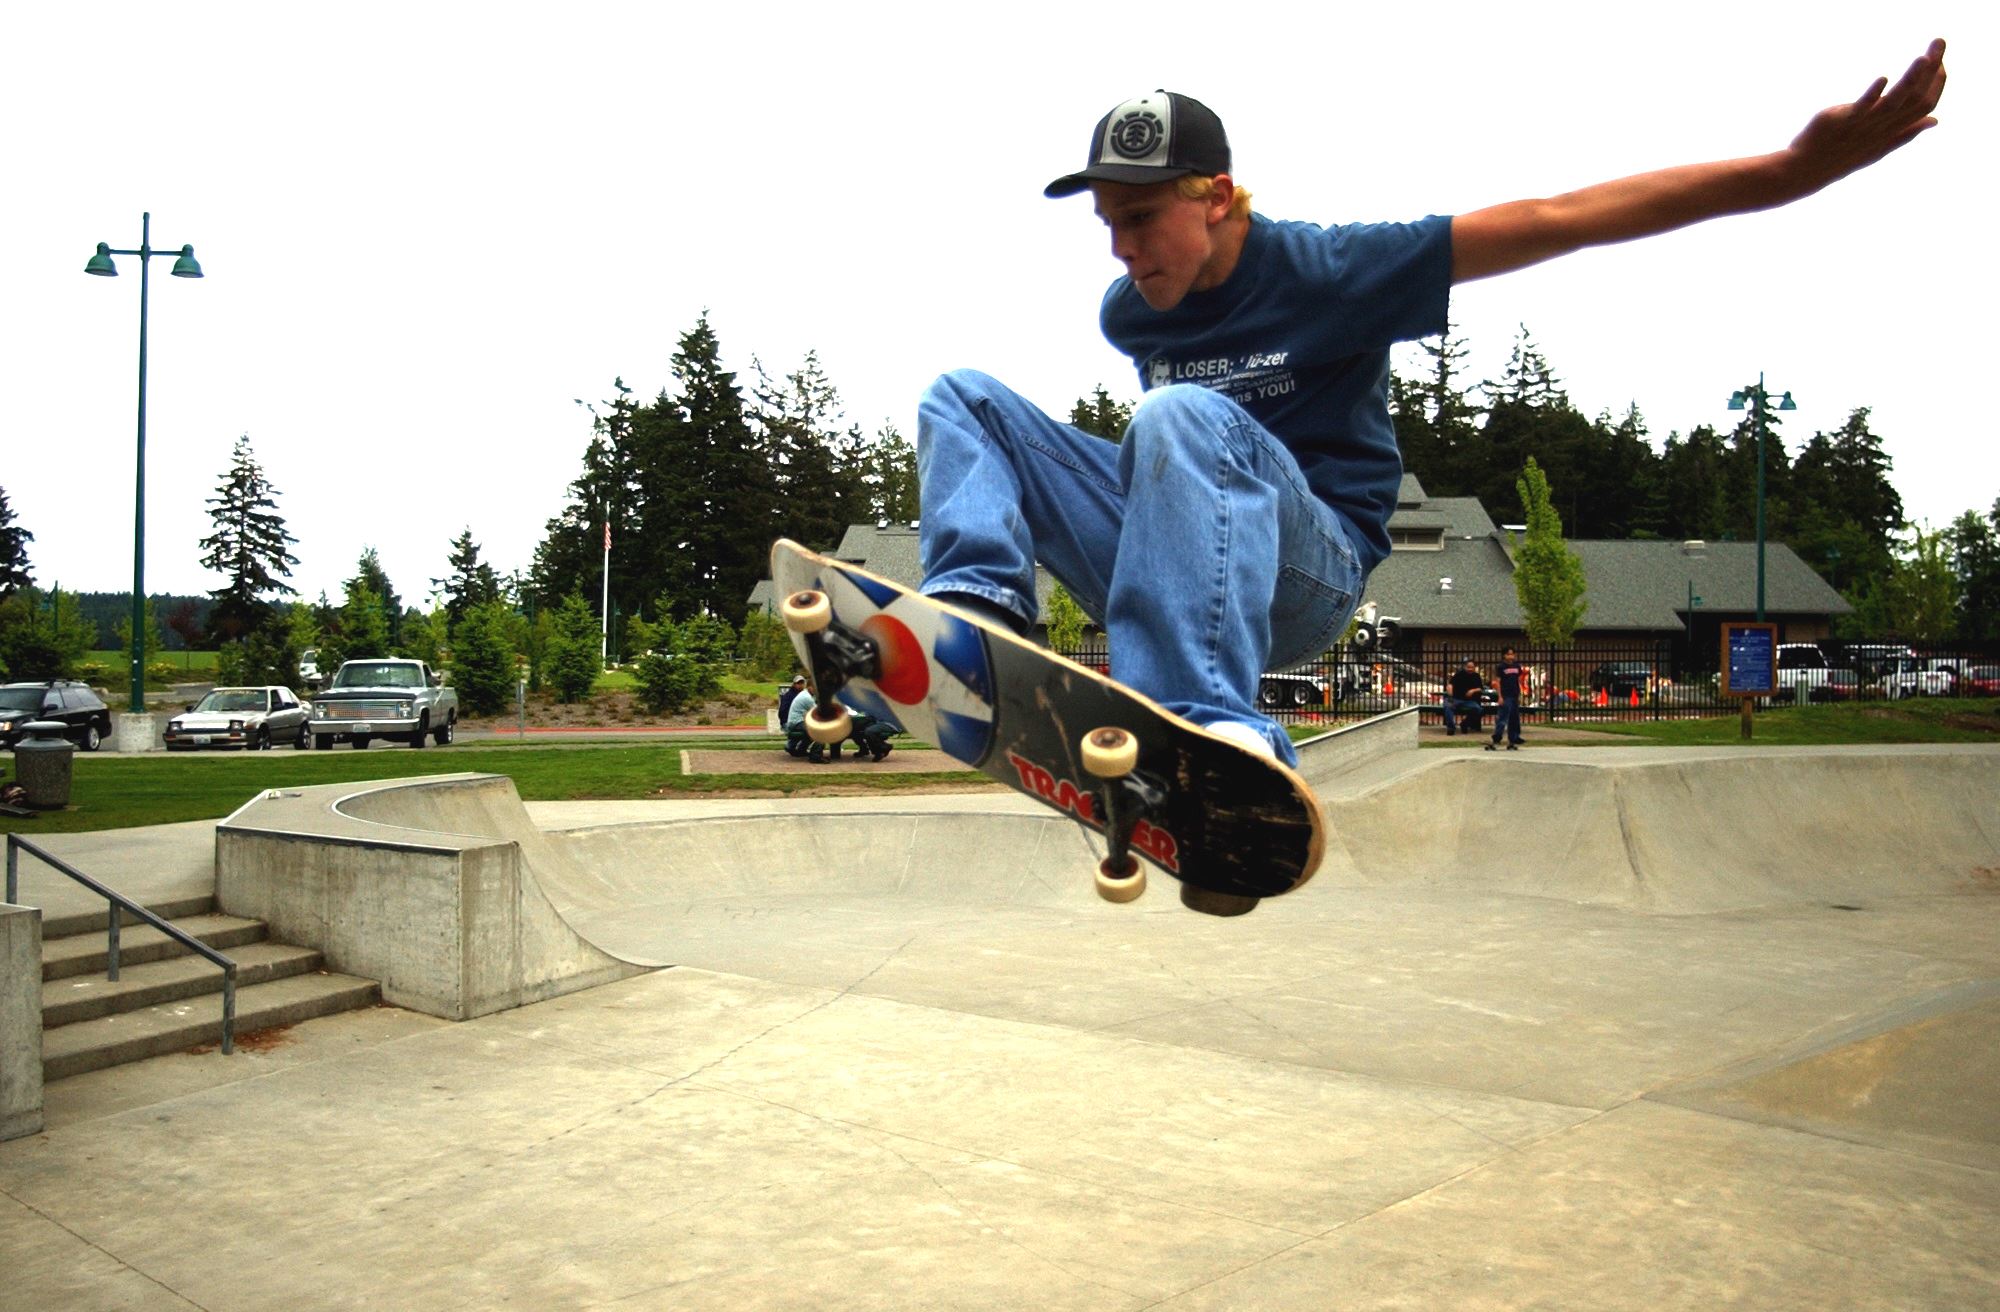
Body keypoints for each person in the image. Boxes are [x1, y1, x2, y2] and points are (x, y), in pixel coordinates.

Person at [914, 44, 1947, 767]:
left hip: (1304, 577)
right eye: (1105, 225)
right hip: (1174, 560)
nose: (1120, 251)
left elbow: (1559, 219)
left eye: (1139, 219)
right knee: (962, 397)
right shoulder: (1130, 315)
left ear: (1218, 197)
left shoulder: (1335, 268)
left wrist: (1788, 172)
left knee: (1177, 421)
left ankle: (1202, 719)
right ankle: (973, 616)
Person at [1486, 647, 1529, 751]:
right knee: (1503, 718)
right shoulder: (1501, 667)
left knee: (1514, 719)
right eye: (1508, 654)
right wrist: (1500, 696)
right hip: (1506, 695)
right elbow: (1498, 682)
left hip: (1514, 694)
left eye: (1512, 654)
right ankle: (1496, 739)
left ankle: (1513, 740)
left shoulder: (1517, 666)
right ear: (1504, 655)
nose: (1511, 656)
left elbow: (1518, 680)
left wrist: (1520, 694)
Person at [1441, 659, 1486, 737]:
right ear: (1465, 667)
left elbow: (1480, 688)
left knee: (1479, 710)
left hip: (1469, 701)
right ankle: (1451, 728)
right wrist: (1451, 696)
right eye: (1468, 667)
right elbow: (1450, 685)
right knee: (1448, 706)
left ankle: (1465, 724)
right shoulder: (1459, 674)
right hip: (1456, 698)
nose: (1470, 669)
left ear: (1475, 667)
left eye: (1472, 667)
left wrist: (1472, 690)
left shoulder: (1476, 676)